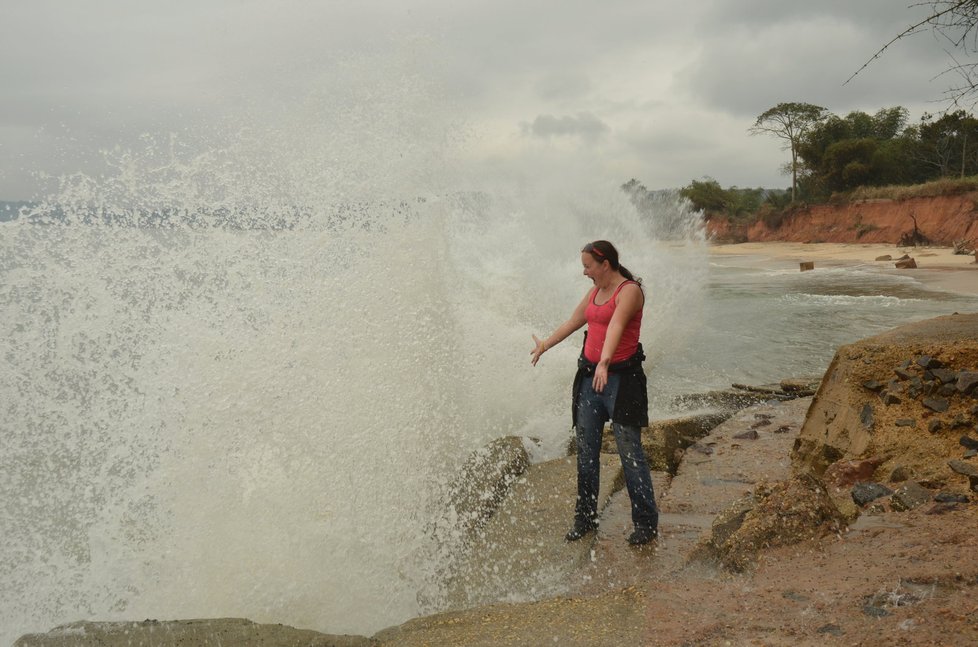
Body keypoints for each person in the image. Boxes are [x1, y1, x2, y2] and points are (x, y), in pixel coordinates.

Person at [530, 240, 659, 546]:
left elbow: (616, 325)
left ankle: (645, 523)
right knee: (586, 454)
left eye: (588, 266)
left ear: (605, 263)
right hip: (590, 380)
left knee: (631, 454)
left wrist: (605, 361)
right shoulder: (594, 292)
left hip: (622, 381)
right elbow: (575, 321)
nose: (585, 272)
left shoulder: (629, 290)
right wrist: (545, 345)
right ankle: (585, 518)